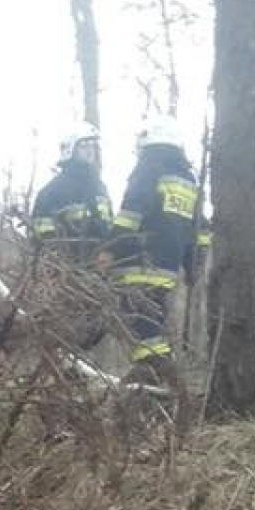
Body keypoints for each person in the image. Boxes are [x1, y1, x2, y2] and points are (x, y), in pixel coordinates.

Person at [101, 115, 200, 393]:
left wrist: (110, 248)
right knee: (151, 320)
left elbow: (131, 214)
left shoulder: (148, 168)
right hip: (168, 267)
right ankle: (159, 377)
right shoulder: (188, 179)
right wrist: (192, 266)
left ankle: (151, 376)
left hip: (138, 262)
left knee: (136, 320)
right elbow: (198, 229)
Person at [28, 122, 115, 354]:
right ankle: (65, 369)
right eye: (84, 146)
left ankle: (77, 366)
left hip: (98, 270)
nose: (90, 151)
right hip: (68, 272)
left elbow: (107, 226)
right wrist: (60, 260)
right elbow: (40, 229)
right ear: (70, 150)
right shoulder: (53, 191)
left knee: (97, 324)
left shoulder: (100, 187)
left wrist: (109, 255)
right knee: (66, 323)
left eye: (93, 147)